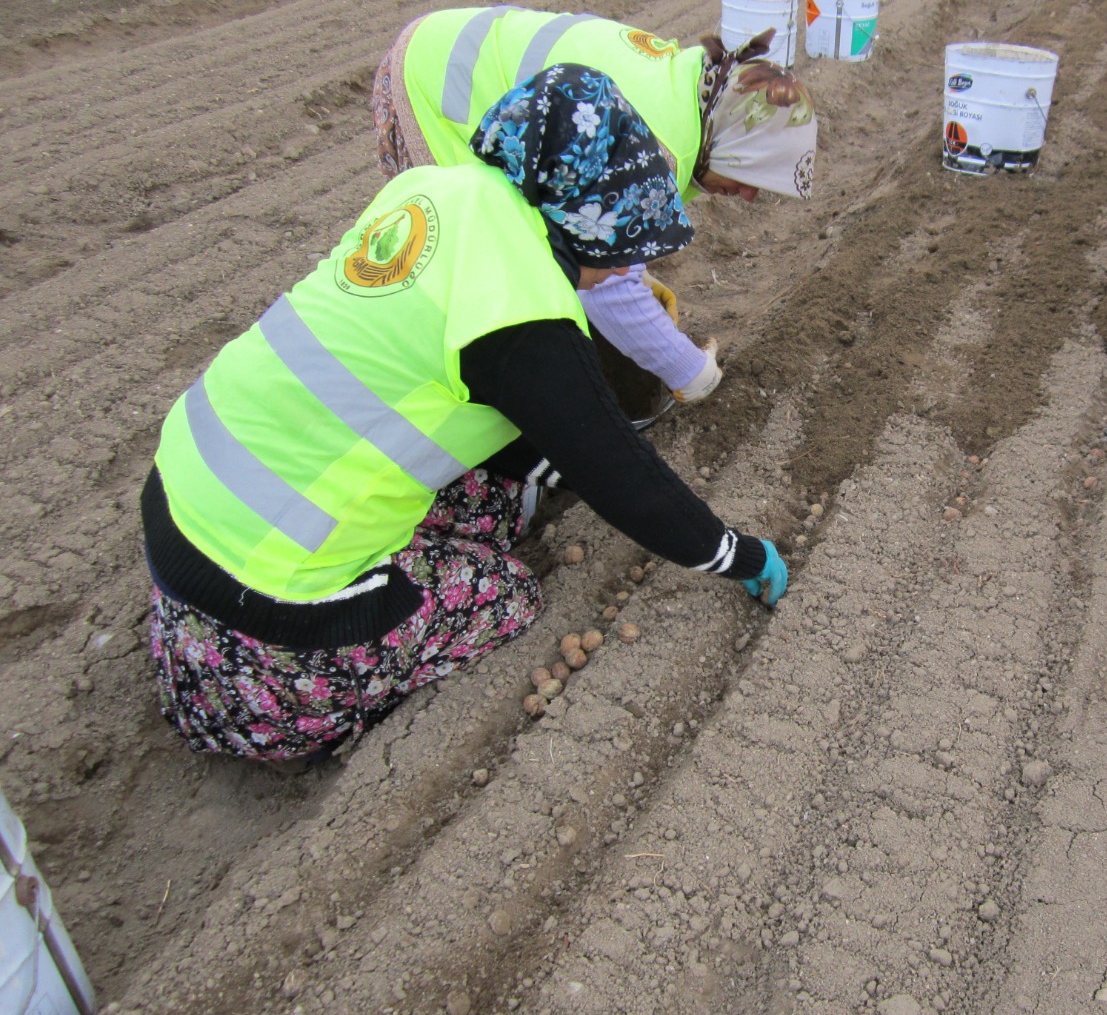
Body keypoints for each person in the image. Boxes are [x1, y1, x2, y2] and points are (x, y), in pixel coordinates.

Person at [142, 65, 789, 763]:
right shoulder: (524, 306)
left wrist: (552, 461)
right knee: (505, 591)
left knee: (497, 499)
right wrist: (737, 556)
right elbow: (618, 475)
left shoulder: (435, 189)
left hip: (182, 514)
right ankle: (315, 708)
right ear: (593, 220)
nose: (622, 270)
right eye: (625, 249)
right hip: (267, 621)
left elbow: (431, 383)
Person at [371, 6, 817, 406]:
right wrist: (692, 372)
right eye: (750, 175)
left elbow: (588, 211)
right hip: (433, 92)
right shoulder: (662, 145)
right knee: (480, 261)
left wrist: (633, 265)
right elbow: (607, 285)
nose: (751, 194)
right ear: (733, 142)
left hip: (444, 44)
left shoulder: (701, 88)